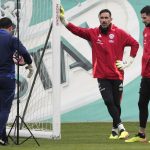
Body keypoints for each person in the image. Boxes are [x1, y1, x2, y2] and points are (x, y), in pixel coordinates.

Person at [60, 6, 139, 140]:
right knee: (108, 101)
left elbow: (135, 44)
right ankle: (121, 128)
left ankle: (114, 131)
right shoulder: (93, 33)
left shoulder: (119, 33)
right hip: (102, 75)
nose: (104, 20)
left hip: (117, 74)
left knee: (116, 104)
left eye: (106, 18)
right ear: (99, 19)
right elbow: (77, 30)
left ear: (111, 19)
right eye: (101, 18)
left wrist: (129, 61)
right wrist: (63, 21)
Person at [0, 17, 34, 145]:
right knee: (4, 109)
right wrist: (29, 63)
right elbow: (24, 52)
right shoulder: (11, 38)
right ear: (10, 28)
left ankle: (3, 138)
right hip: (7, 78)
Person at [125, 5, 150, 143]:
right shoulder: (145, 30)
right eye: (141, 17)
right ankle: (141, 134)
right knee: (142, 103)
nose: (143, 20)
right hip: (146, 75)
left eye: (144, 17)